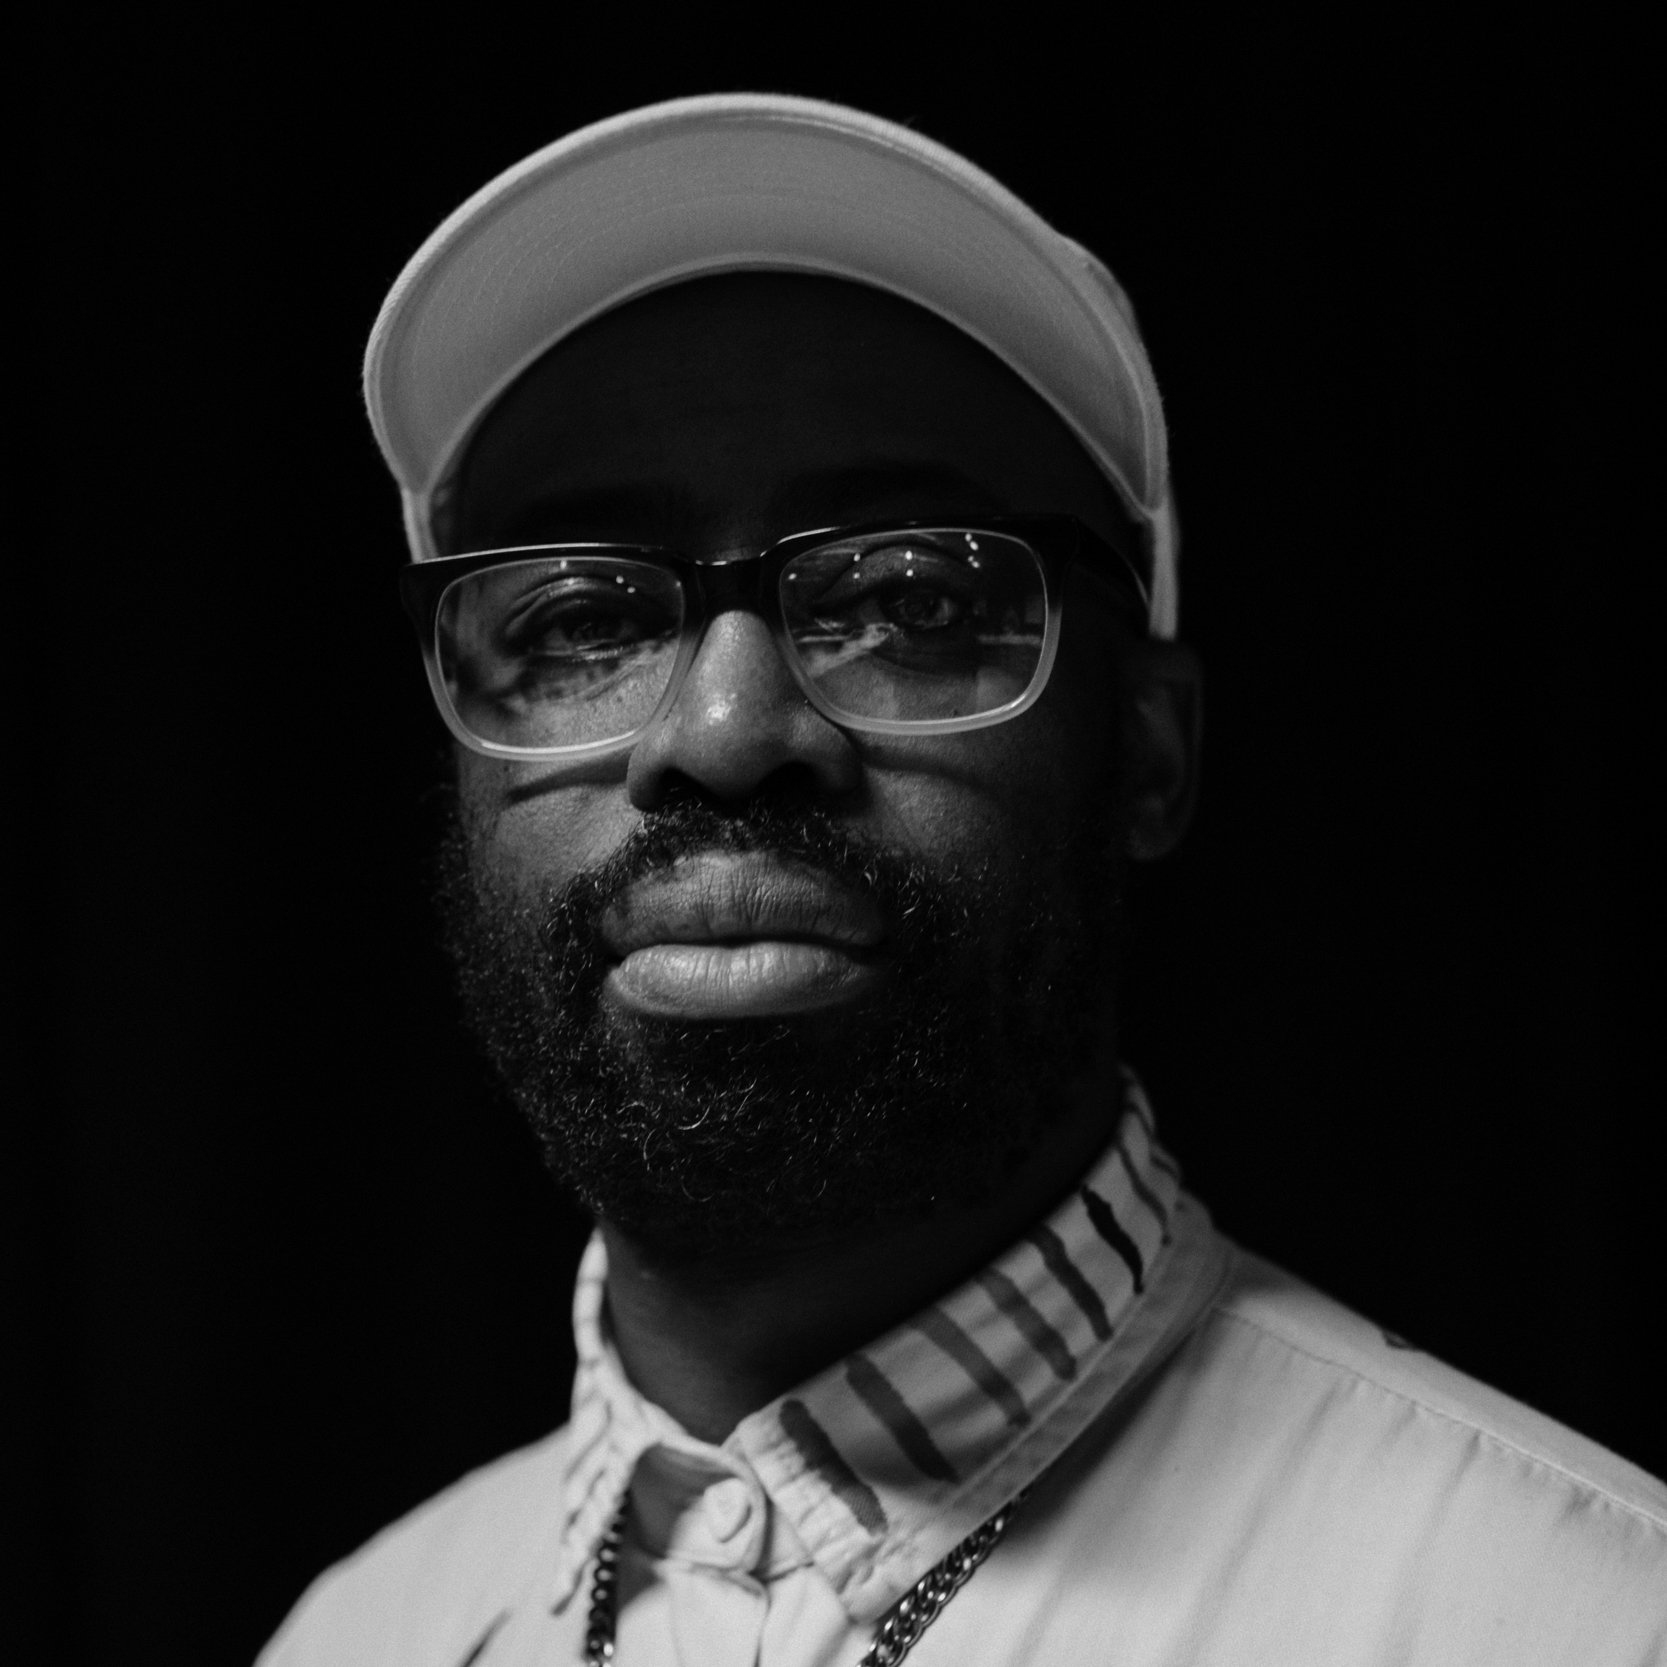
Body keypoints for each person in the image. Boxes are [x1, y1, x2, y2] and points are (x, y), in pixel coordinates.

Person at [260, 95, 1665, 1667]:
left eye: (910, 598)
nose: (723, 734)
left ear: (1146, 748)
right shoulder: (351, 1635)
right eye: (582, 621)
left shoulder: (1574, 1617)